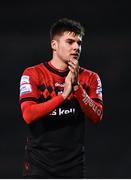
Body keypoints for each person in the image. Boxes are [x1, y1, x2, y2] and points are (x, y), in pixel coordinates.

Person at [19, 17, 103, 178]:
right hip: (38, 165)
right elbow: (28, 115)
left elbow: (97, 116)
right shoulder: (33, 74)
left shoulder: (90, 78)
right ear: (54, 45)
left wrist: (77, 88)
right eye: (70, 42)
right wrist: (64, 95)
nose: (76, 47)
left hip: (73, 166)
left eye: (79, 43)